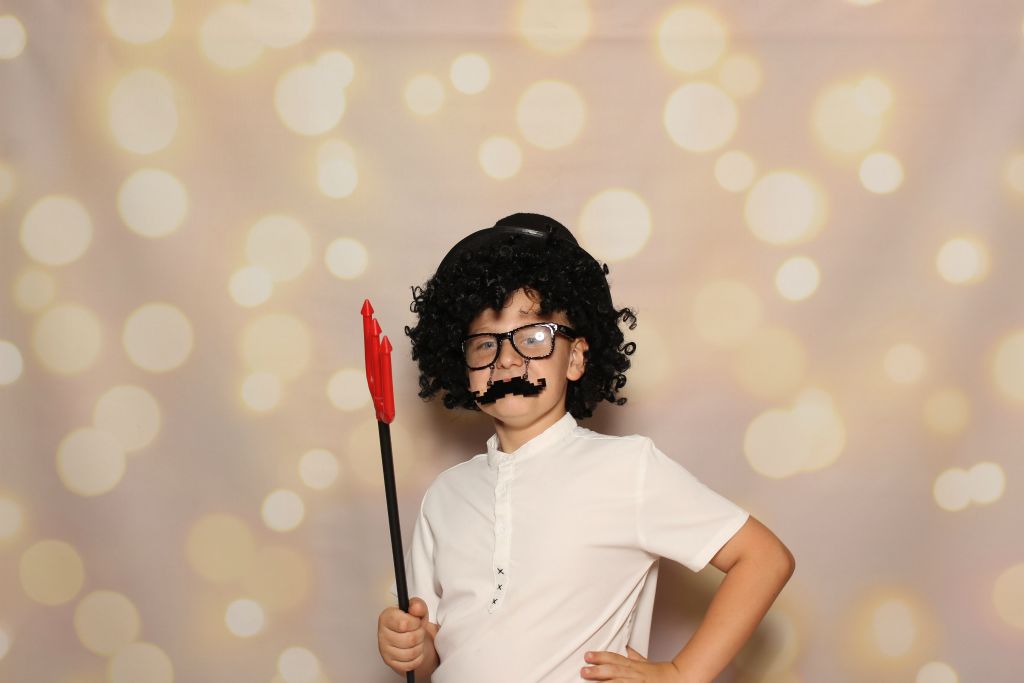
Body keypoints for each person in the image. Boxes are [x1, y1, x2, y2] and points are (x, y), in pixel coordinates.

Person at [376, 213, 795, 682]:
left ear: (575, 357)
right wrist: (411, 646)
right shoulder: (445, 495)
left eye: (533, 338)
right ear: (463, 367)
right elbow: (438, 649)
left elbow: (763, 559)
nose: (507, 359)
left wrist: (680, 673)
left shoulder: (627, 469)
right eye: (484, 344)